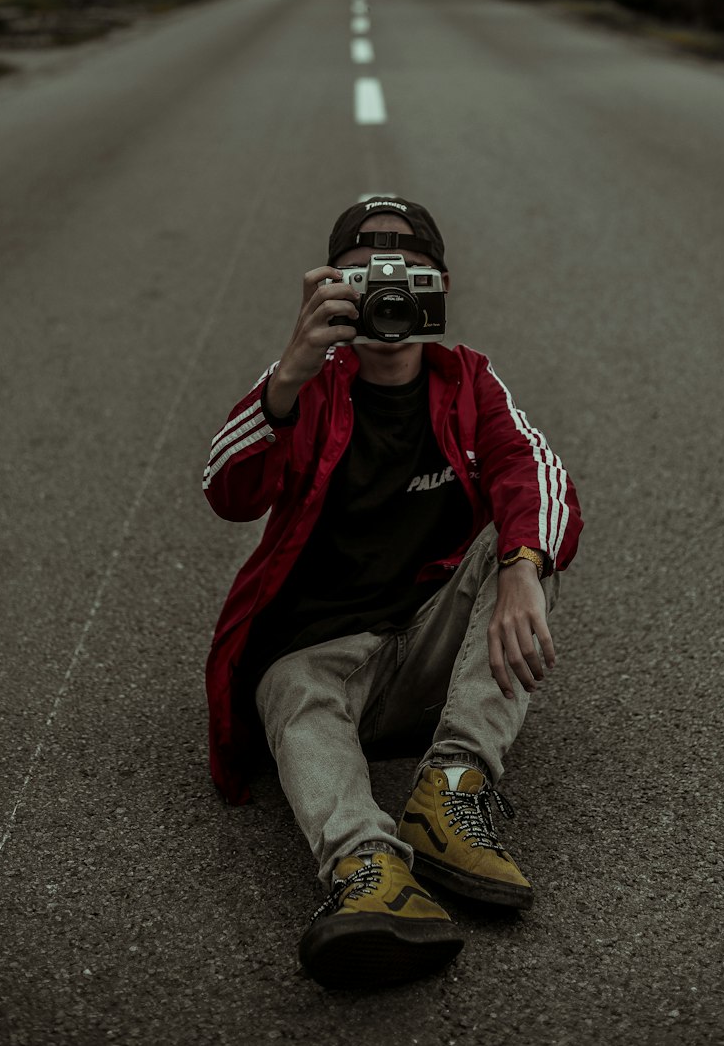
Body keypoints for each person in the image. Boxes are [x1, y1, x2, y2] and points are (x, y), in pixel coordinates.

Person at [202, 196, 583, 989]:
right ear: (329, 291)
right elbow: (227, 489)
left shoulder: (465, 378)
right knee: (289, 681)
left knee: (522, 545)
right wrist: (288, 375)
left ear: (440, 286)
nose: (390, 294)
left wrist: (521, 565)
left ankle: (451, 790)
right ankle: (370, 872)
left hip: (425, 657)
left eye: (410, 271)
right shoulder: (306, 379)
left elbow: (536, 472)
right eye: (365, 273)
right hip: (321, 659)